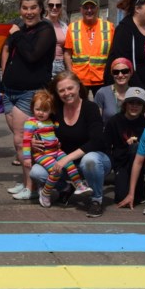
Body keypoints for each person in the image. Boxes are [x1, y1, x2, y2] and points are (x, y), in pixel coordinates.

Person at [1, 0, 56, 200]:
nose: (29, 12)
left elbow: (32, 55)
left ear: (41, 9)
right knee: (20, 141)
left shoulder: (46, 29)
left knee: (22, 140)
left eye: (33, 8)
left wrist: (16, 35)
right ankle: (27, 181)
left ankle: (31, 187)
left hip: (29, 93)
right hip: (11, 92)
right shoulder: (21, 30)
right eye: (25, 8)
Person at [48, 71, 110, 218]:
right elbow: (40, 128)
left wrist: (66, 158)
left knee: (89, 160)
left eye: (70, 88)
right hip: (68, 165)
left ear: (78, 87)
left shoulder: (90, 107)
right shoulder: (55, 110)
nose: (66, 93)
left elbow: (96, 141)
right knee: (37, 172)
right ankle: (66, 188)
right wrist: (34, 141)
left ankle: (96, 199)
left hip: (96, 160)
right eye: (61, 90)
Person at [23, 89, 91, 208]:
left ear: (51, 110)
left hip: (56, 151)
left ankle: (79, 185)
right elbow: (26, 141)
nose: (41, 113)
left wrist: (57, 141)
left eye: (45, 110)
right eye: (38, 109)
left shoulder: (51, 121)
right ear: (32, 108)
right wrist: (27, 158)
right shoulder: (31, 122)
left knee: (69, 164)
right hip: (42, 154)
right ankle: (46, 193)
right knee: (55, 170)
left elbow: (56, 133)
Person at [104, 0, 145, 104]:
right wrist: (139, 91)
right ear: (137, 9)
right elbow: (123, 63)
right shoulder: (124, 30)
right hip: (132, 91)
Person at [103, 86, 145, 207]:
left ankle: (140, 184)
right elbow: (106, 145)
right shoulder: (114, 121)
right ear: (125, 104)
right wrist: (112, 164)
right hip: (121, 162)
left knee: (135, 149)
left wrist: (140, 145)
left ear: (144, 107)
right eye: (131, 102)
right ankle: (119, 179)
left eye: (139, 103)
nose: (134, 106)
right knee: (121, 198)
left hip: (138, 162)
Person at [63, 0, 114, 97]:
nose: (89, 10)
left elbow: (114, 53)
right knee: (80, 109)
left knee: (105, 110)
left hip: (102, 78)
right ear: (81, 10)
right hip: (80, 78)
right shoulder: (72, 28)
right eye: (86, 7)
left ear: (97, 9)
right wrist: (71, 73)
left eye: (92, 7)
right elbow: (67, 54)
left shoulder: (109, 27)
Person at [94, 57, 135, 124]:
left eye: (125, 71)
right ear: (112, 74)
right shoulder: (102, 93)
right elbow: (96, 121)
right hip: (108, 132)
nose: (120, 75)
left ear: (130, 72)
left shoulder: (136, 93)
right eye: (116, 72)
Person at [43, 0, 68, 79]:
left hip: (61, 65)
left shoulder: (64, 26)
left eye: (58, 5)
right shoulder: (40, 24)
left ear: (61, 8)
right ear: (46, 7)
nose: (54, 7)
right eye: (51, 5)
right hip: (44, 64)